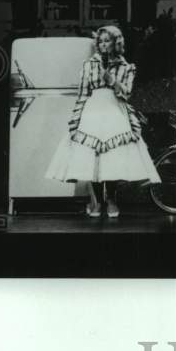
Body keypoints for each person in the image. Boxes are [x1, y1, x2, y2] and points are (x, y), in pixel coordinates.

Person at [45, 24, 160, 218]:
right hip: (93, 109)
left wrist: (112, 81)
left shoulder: (125, 67)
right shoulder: (89, 65)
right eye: (101, 41)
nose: (103, 44)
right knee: (92, 155)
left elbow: (127, 93)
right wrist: (76, 117)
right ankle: (97, 201)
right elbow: (83, 93)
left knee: (112, 156)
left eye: (108, 41)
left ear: (116, 43)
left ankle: (112, 200)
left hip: (114, 109)